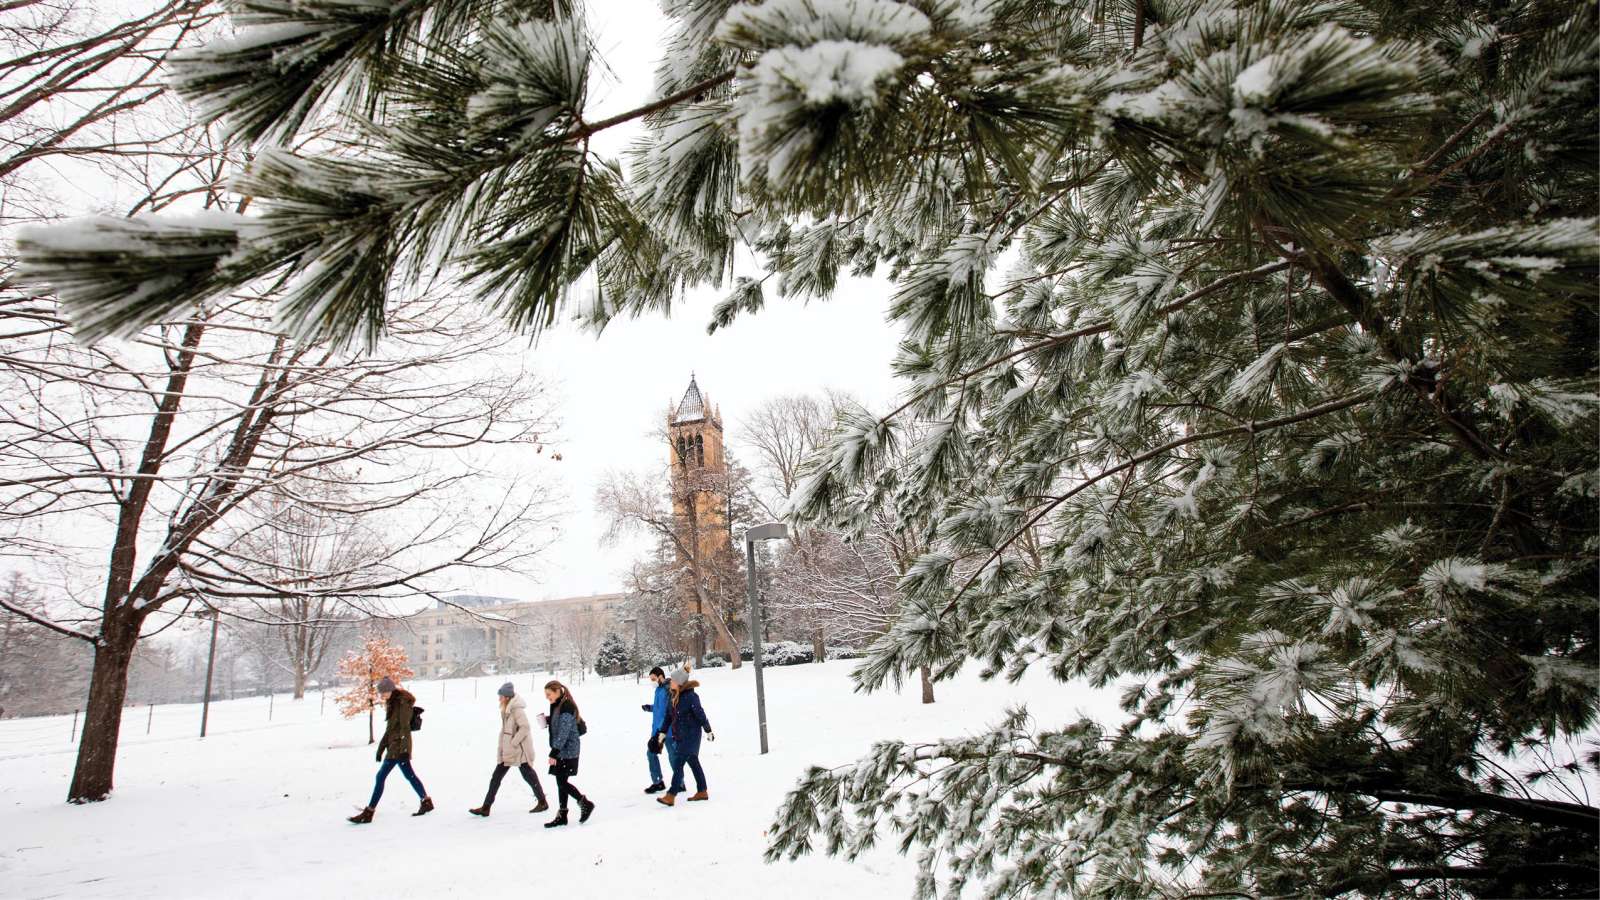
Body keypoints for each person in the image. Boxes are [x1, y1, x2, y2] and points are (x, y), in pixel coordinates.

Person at [348, 676, 434, 824]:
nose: (382, 696)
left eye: (383, 693)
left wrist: (404, 749)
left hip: (399, 747)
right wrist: (381, 748)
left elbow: (404, 727)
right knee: (408, 775)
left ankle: (369, 812)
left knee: (381, 777)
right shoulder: (392, 702)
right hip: (395, 746)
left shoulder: (402, 703)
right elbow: (390, 729)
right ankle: (426, 801)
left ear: (390, 690)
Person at [469, 682, 549, 816]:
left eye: (500, 696)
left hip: (519, 751)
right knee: (496, 778)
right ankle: (486, 807)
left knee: (528, 775)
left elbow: (525, 727)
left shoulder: (517, 710)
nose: (499, 699)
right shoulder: (507, 710)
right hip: (509, 751)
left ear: (506, 697)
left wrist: (513, 742)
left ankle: (542, 802)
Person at [655, 666, 714, 807]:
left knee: (678, 763)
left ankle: (671, 795)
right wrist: (662, 732)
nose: (671, 682)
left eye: (673, 680)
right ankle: (702, 791)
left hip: (692, 735)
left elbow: (700, 714)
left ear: (680, 682)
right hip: (680, 735)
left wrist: (708, 730)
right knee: (693, 762)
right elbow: (668, 717)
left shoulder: (690, 697)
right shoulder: (673, 696)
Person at [542, 680, 595, 827]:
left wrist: (554, 752)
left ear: (557, 691)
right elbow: (561, 724)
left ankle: (585, 803)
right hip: (562, 749)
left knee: (562, 782)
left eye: (549, 694)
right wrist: (549, 720)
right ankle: (563, 814)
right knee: (561, 781)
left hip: (568, 750)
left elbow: (564, 732)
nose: (547, 697)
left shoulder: (566, 706)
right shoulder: (557, 704)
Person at [641, 666, 671, 793]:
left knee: (674, 757)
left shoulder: (668, 689)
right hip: (657, 729)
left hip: (667, 730)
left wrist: (663, 729)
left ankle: (680, 783)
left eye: (653, 679)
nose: (652, 681)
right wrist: (650, 708)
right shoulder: (658, 690)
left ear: (660, 676)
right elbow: (659, 708)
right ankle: (658, 782)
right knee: (651, 753)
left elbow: (669, 710)